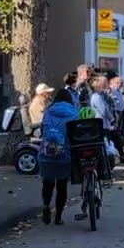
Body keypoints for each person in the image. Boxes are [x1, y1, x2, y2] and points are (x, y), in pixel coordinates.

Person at [37, 90, 80, 226]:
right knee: (62, 186)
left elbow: (43, 131)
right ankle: (58, 217)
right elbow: (76, 134)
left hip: (47, 153)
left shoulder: (48, 112)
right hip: (65, 154)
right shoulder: (74, 113)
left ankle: (45, 205)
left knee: (47, 183)